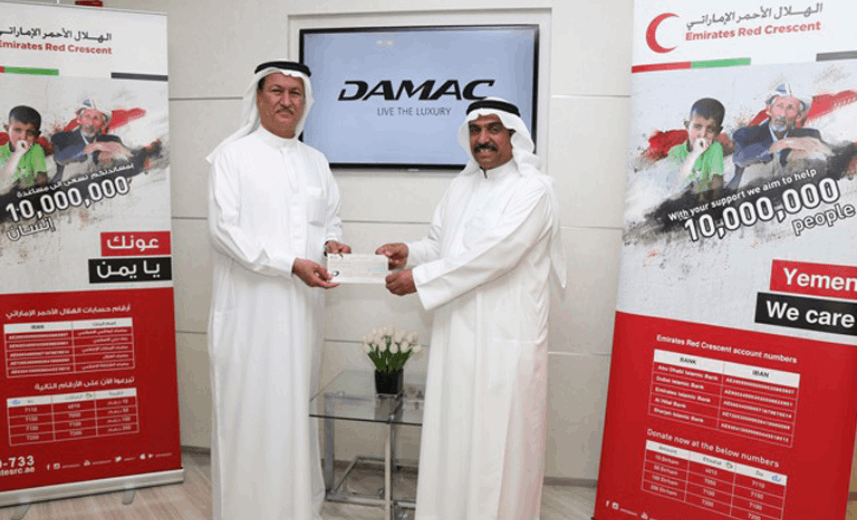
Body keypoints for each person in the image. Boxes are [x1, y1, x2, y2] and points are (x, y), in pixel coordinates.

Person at [376, 98, 566, 520]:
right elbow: (441, 246)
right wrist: (410, 253)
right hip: (456, 337)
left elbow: (496, 254)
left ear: (513, 135)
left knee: (498, 444)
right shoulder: (460, 186)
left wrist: (420, 279)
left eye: (493, 129)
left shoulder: (534, 190)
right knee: (455, 437)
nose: (483, 139)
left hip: (505, 339)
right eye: (475, 130)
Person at [205, 60, 351, 520]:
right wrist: (288, 264)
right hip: (249, 311)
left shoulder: (315, 161)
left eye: (295, 93)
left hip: (303, 311)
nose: (286, 101)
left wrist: (331, 244)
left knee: (293, 409)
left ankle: (296, 508)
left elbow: (330, 220)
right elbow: (223, 231)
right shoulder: (232, 156)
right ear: (258, 97)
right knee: (249, 409)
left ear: (305, 101)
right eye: (276, 91)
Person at [730, 83, 831, 189]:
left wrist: (824, 150)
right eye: (779, 106)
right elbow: (739, 159)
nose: (782, 114)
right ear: (769, 109)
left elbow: (834, 155)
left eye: (790, 108)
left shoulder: (810, 135)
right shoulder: (745, 134)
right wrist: (782, 144)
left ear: (799, 116)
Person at [50, 98, 132, 183]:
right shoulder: (61, 138)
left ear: (104, 124)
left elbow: (129, 162)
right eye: (87, 117)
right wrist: (94, 147)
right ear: (79, 118)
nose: (91, 123)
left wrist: (121, 154)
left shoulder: (113, 140)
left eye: (96, 118)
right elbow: (60, 158)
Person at [668, 98, 725, 196]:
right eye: (697, 127)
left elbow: (717, 182)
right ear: (687, 125)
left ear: (717, 132)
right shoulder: (675, 151)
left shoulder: (714, 148)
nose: (702, 134)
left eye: (710, 129)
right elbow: (674, 184)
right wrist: (695, 153)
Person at [0, 105, 48, 191]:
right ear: (7, 129)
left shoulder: (36, 149)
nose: (23, 137)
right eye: (17, 130)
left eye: (30, 133)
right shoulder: (1, 151)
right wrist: (17, 153)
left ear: (37, 136)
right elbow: (2, 179)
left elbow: (41, 177)